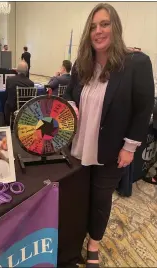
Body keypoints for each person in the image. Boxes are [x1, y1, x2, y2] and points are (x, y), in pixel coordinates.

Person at [63, 3, 154, 267]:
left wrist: (130, 147)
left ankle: (93, 245)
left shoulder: (136, 63)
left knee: (101, 199)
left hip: (111, 150)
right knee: (79, 197)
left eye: (104, 24)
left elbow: (143, 108)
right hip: (78, 147)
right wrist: (70, 105)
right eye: (92, 27)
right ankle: (74, 239)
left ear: (115, 26)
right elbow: (69, 95)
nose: (98, 31)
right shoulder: (81, 66)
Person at [4, 61, 34, 125]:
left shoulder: (9, 79)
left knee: (6, 102)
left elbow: (6, 93)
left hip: (13, 107)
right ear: (26, 71)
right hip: (26, 108)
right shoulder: (31, 83)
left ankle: (7, 124)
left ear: (17, 70)